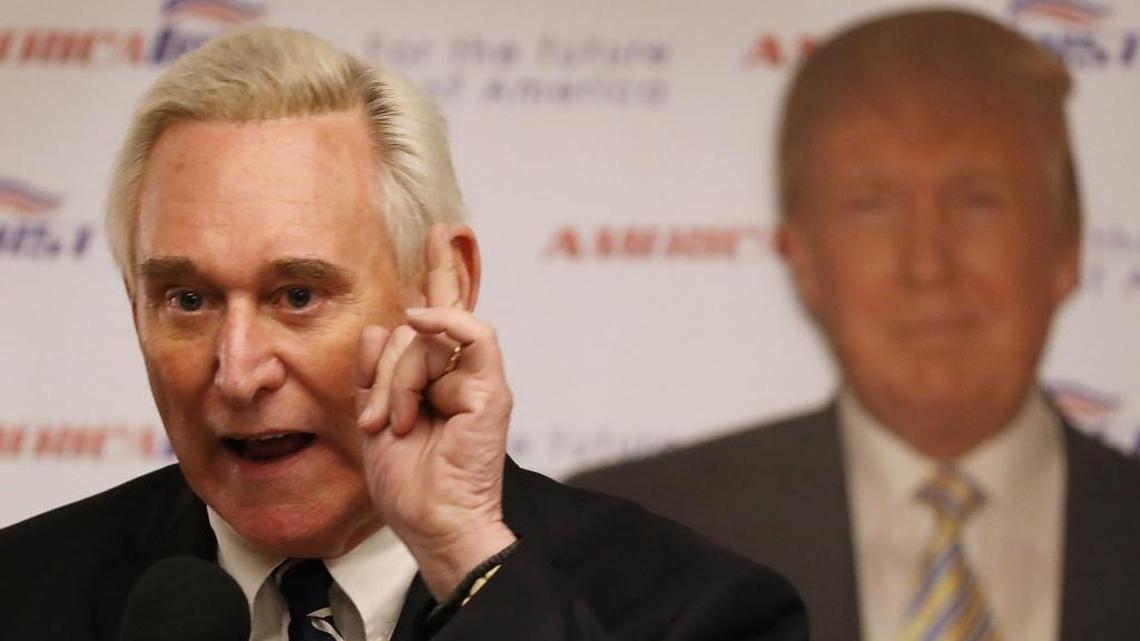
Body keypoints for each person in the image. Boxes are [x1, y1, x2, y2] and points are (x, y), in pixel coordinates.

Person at [0, 27, 805, 641]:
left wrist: (467, 554)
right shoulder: (24, 594)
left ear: (442, 283)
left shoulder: (694, 611)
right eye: (186, 298)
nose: (238, 372)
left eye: (298, 294)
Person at [572, 8, 1140, 641]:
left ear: (1066, 245)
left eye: (978, 199)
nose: (927, 263)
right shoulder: (624, 551)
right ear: (805, 260)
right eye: (871, 207)